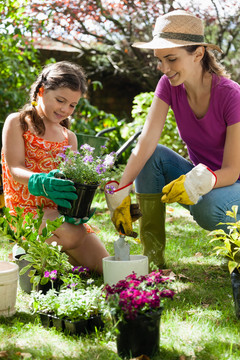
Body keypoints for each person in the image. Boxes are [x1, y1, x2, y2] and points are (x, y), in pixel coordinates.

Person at [105, 10, 240, 268]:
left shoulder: (231, 95)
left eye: (171, 59)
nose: (164, 68)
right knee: (151, 156)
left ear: (198, 54)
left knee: (206, 207)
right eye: (159, 60)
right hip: (199, 181)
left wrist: (201, 182)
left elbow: (233, 171)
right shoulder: (168, 85)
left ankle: (237, 246)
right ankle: (153, 259)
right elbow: (146, 142)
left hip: (232, 188)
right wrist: (121, 192)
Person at [2, 61, 109, 273]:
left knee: (105, 267)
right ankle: (25, 251)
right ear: (41, 91)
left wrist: (78, 208)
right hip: (26, 211)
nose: (65, 109)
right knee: (73, 234)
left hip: (58, 213)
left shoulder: (68, 137)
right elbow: (14, 167)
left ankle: (43, 259)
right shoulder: (18, 122)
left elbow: (71, 179)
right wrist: (39, 181)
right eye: (60, 100)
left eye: (72, 105)